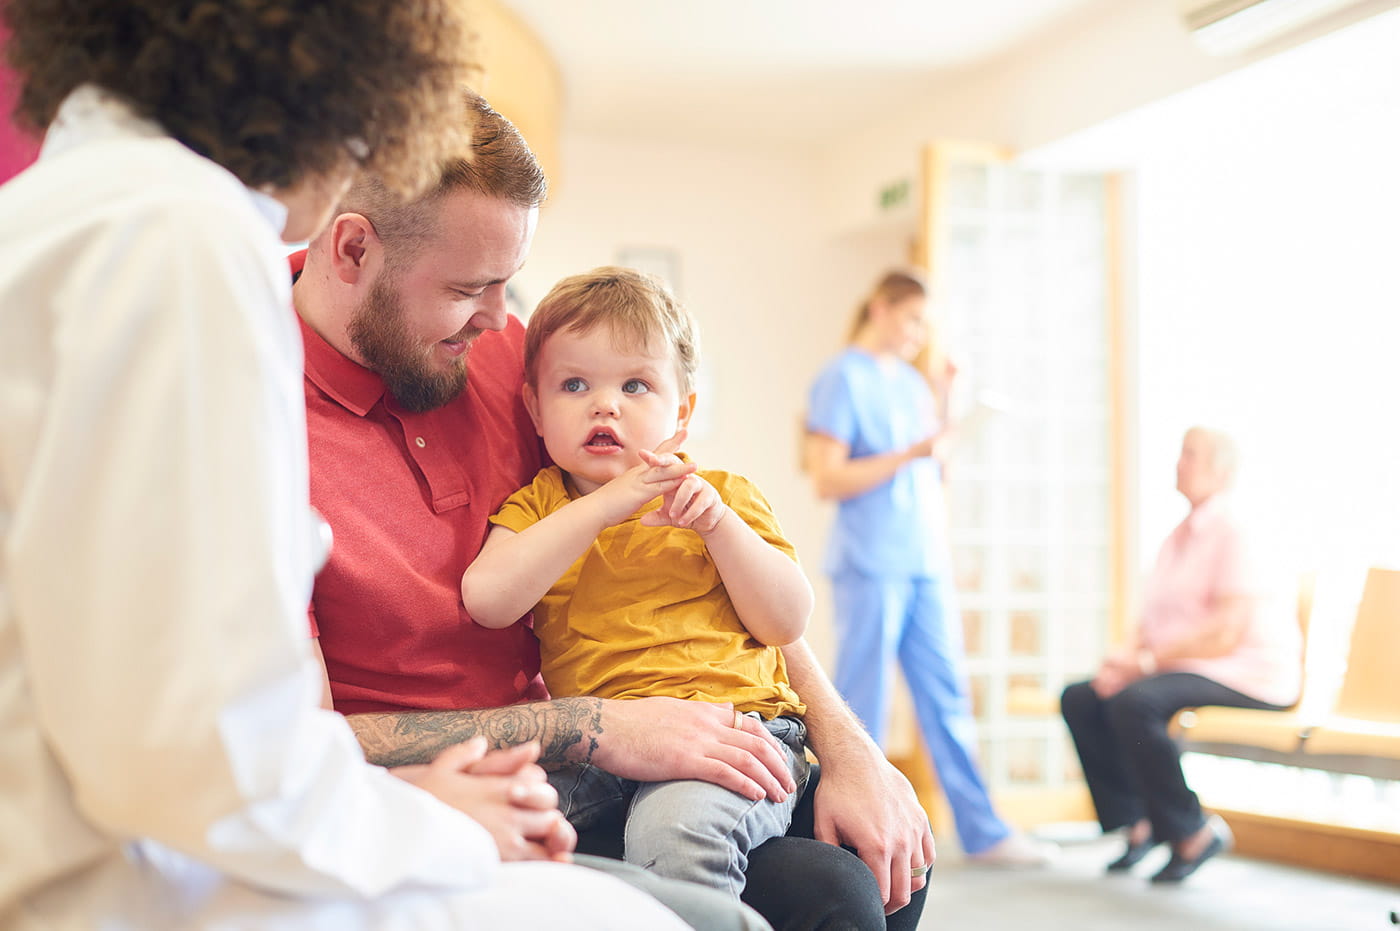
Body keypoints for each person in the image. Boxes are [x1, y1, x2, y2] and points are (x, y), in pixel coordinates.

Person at [0, 2, 695, 929]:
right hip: (147, 870)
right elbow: (200, 750)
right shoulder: (182, 233)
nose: (495, 316)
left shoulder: (66, 211)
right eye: (464, 289)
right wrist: (429, 819)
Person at [294, 97, 937, 928]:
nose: (499, 322)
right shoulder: (242, 427)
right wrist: (589, 726)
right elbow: (288, 746)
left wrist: (848, 745)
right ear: (352, 249)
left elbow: (733, 595)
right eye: (469, 289)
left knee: (870, 872)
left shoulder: (500, 359)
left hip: (629, 738)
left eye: (507, 286)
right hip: (456, 783)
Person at [462, 267, 813, 896]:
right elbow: (488, 600)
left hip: (731, 733)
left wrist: (722, 530)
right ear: (535, 409)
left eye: (635, 385)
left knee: (675, 837)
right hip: (595, 747)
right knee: (479, 830)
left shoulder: (721, 498)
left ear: (681, 413)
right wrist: (601, 506)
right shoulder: (541, 506)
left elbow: (786, 620)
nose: (605, 404)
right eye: (574, 384)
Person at [803, 269, 1055, 867]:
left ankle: (984, 831)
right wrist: (911, 452)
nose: (921, 334)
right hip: (872, 559)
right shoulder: (842, 377)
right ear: (882, 308)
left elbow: (933, 469)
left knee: (947, 697)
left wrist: (947, 404)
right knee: (862, 702)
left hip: (922, 558)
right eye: (914, 319)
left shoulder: (914, 386)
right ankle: (851, 835)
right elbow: (827, 477)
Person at [1060, 426, 1302, 884]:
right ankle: (1139, 822)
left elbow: (1225, 634)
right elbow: (1149, 622)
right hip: (1190, 666)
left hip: (1250, 672)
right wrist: (1122, 660)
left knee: (1136, 703)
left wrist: (1146, 665)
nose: (1178, 462)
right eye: (1180, 453)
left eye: (1190, 455)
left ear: (1222, 472)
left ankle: (1192, 830)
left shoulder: (1235, 531)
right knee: (1083, 697)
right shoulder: (1177, 537)